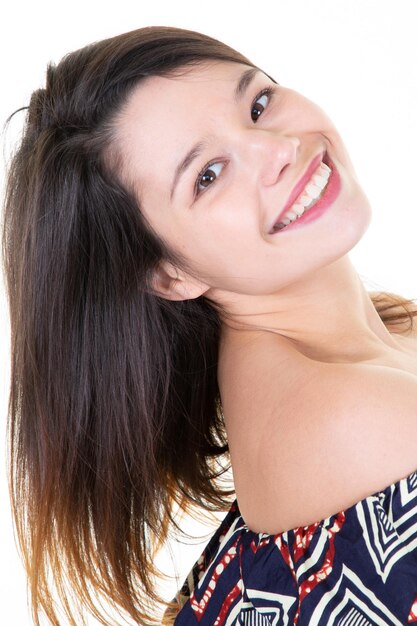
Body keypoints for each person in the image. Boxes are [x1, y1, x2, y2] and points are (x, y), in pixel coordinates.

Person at [3, 25, 417, 626]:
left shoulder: (384, 331)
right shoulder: (339, 418)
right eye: (208, 175)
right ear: (168, 273)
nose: (277, 149)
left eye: (258, 104)